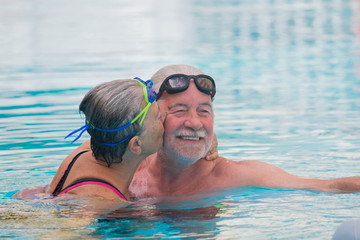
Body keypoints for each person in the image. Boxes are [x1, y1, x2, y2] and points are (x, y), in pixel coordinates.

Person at [127, 64, 360, 197]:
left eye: (204, 111)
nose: (195, 123)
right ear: (152, 117)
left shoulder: (235, 176)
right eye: (180, 110)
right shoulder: (122, 167)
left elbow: (326, 185)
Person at [13, 78, 164, 208]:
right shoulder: (99, 201)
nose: (164, 118)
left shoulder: (90, 148)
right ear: (136, 145)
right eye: (158, 117)